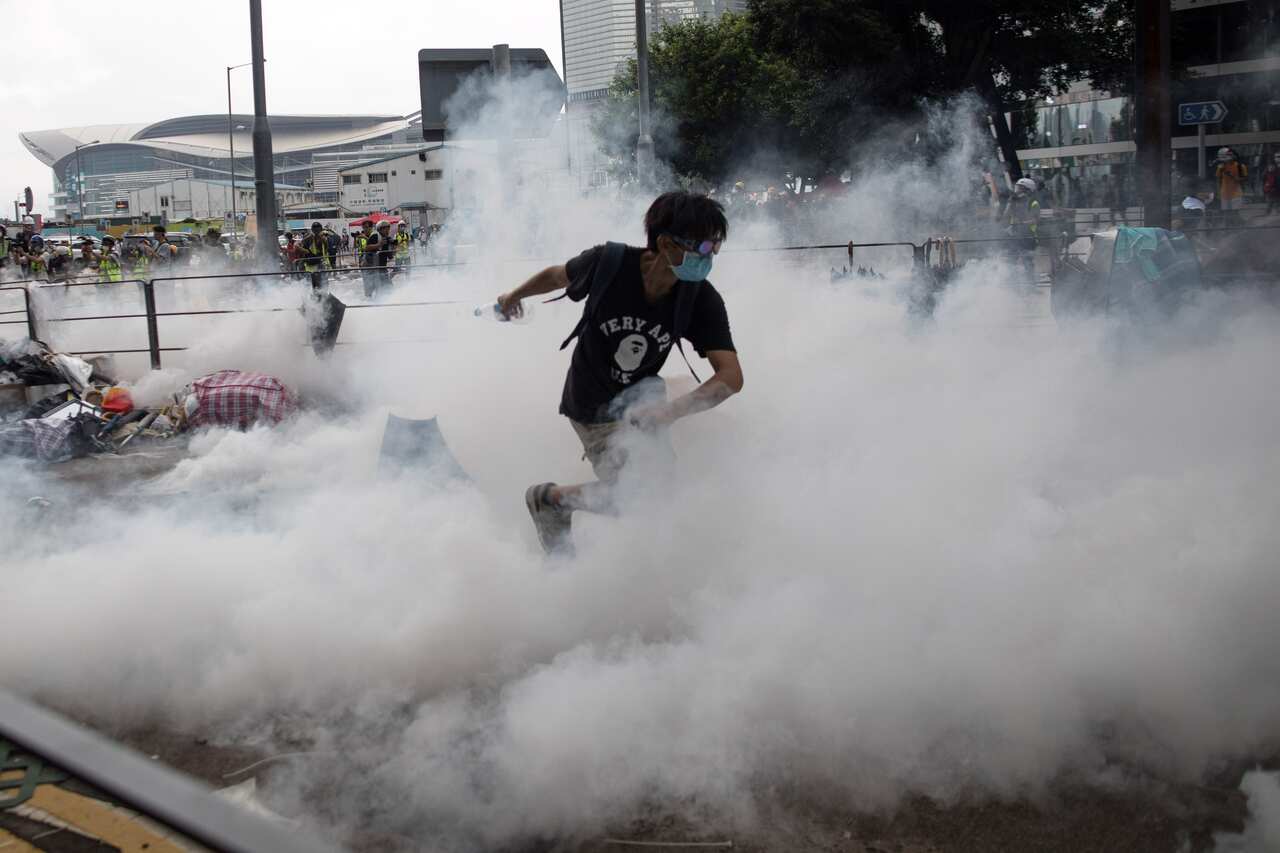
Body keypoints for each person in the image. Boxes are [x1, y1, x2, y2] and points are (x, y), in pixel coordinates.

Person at [494, 191, 743, 555]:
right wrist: (513, 296)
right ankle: (551, 502)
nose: (711, 257)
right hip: (591, 402)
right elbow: (556, 276)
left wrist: (672, 411)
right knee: (640, 498)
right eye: (703, 247)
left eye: (716, 247)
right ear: (666, 244)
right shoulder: (607, 263)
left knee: (657, 495)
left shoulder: (700, 299)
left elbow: (731, 376)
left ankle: (636, 560)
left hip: (645, 402)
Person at [1006, 177, 1040, 277]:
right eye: (1017, 188)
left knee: (1027, 262)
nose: (1017, 191)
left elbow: (1036, 219)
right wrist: (1010, 203)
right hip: (1014, 235)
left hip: (1028, 237)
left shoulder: (1033, 203)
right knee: (1011, 261)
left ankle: (1030, 286)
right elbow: (1006, 215)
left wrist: (1023, 223)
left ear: (1028, 191)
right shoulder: (1014, 201)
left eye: (1020, 189)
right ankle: (1013, 286)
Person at [1216, 147, 1248, 226]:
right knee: (1226, 213)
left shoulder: (1240, 166)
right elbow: (1218, 178)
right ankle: (1228, 228)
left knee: (1234, 212)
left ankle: (1240, 225)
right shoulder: (1221, 167)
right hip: (1224, 193)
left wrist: (1233, 177)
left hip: (1236, 193)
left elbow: (1245, 179)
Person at [297, 223, 330, 291]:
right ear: (312, 230)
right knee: (314, 283)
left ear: (321, 229)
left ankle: (324, 294)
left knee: (324, 281)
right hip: (312, 264)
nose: (317, 232)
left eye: (318, 230)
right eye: (315, 230)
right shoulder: (309, 238)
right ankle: (316, 295)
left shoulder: (323, 238)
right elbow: (298, 245)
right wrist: (306, 251)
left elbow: (325, 249)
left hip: (321, 262)